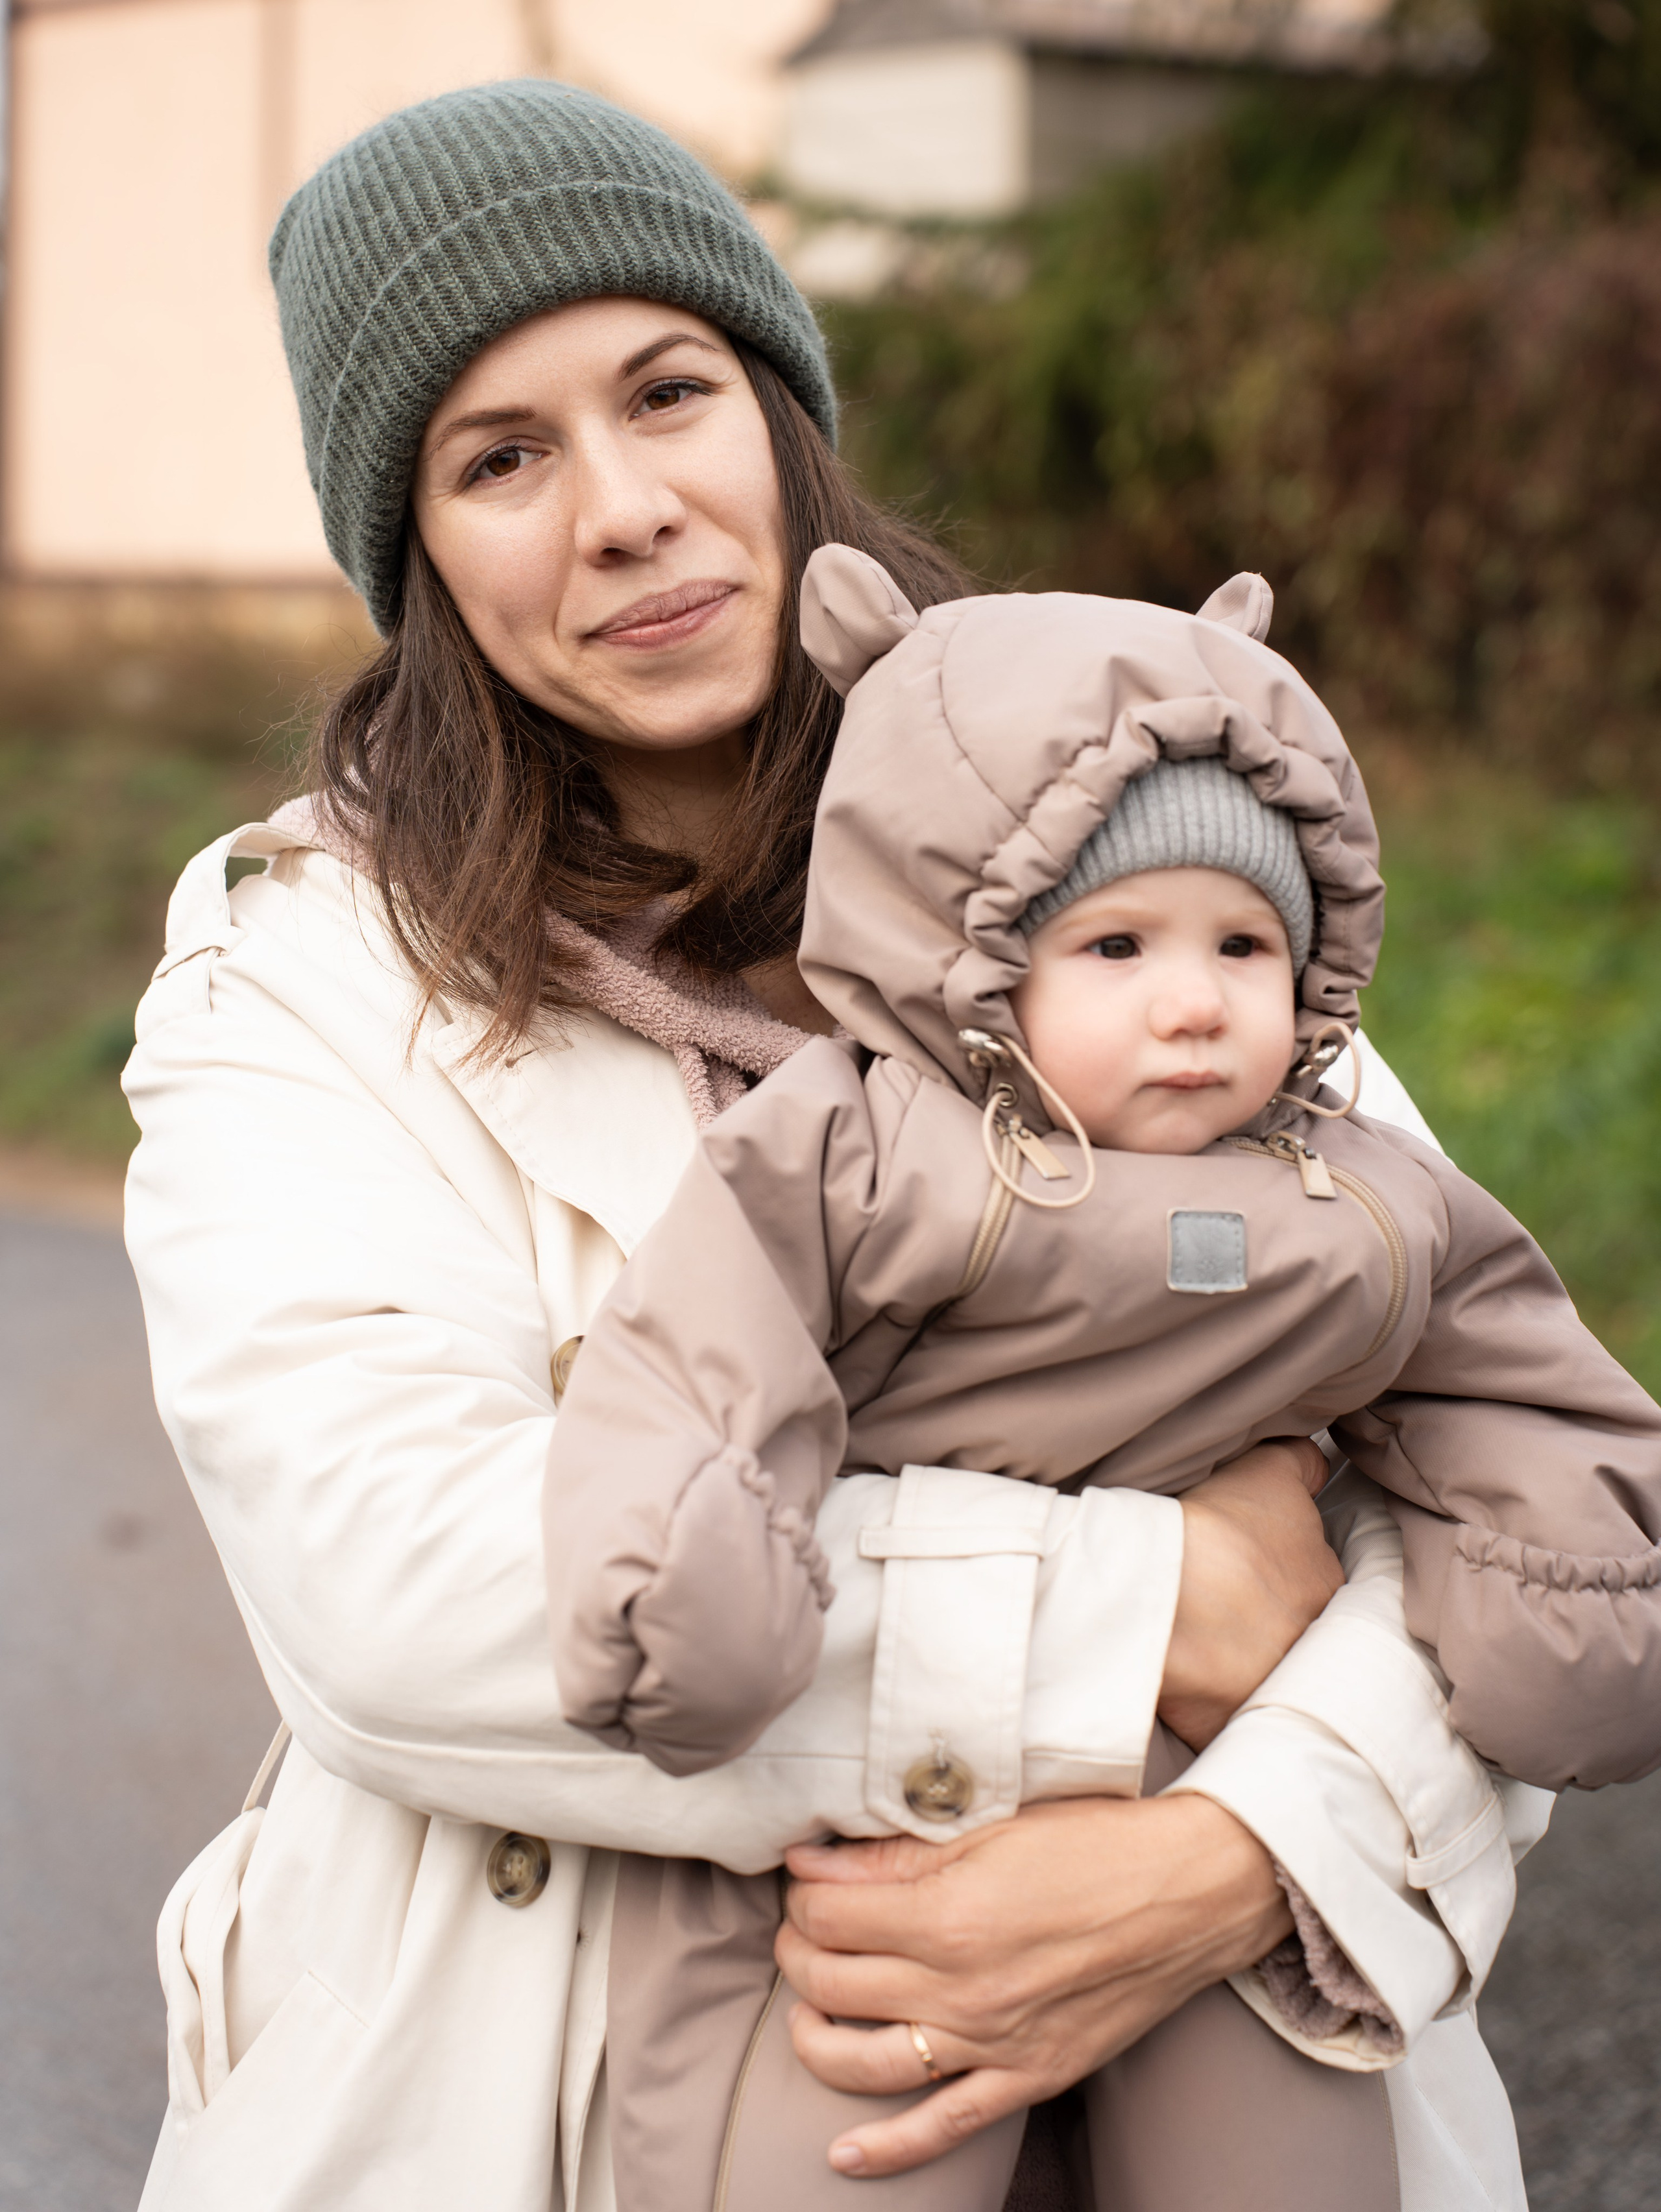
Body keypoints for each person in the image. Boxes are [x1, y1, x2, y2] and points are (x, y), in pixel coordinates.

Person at [121, 80, 1568, 2212]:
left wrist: (1226, 1859)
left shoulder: (1125, 798)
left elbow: (1473, 1446)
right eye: (499, 457)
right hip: (549, 2096)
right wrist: (1138, 1615)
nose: (621, 508)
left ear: (781, 416)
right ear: (410, 546)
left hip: (1243, 2061)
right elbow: (403, 1593)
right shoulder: (308, 982)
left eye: (667, 389)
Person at [542, 546, 1661, 2208]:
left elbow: (1521, 1394)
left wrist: (1563, 1596)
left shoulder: (1362, 1195)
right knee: (848, 2144)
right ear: (967, 953)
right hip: (881, 1825)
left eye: (1240, 945)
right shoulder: (862, 1148)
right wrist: (695, 1573)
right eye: (1117, 946)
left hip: (1210, 1812)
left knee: (1274, 2158)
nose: (1195, 1005)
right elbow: (712, 1351)